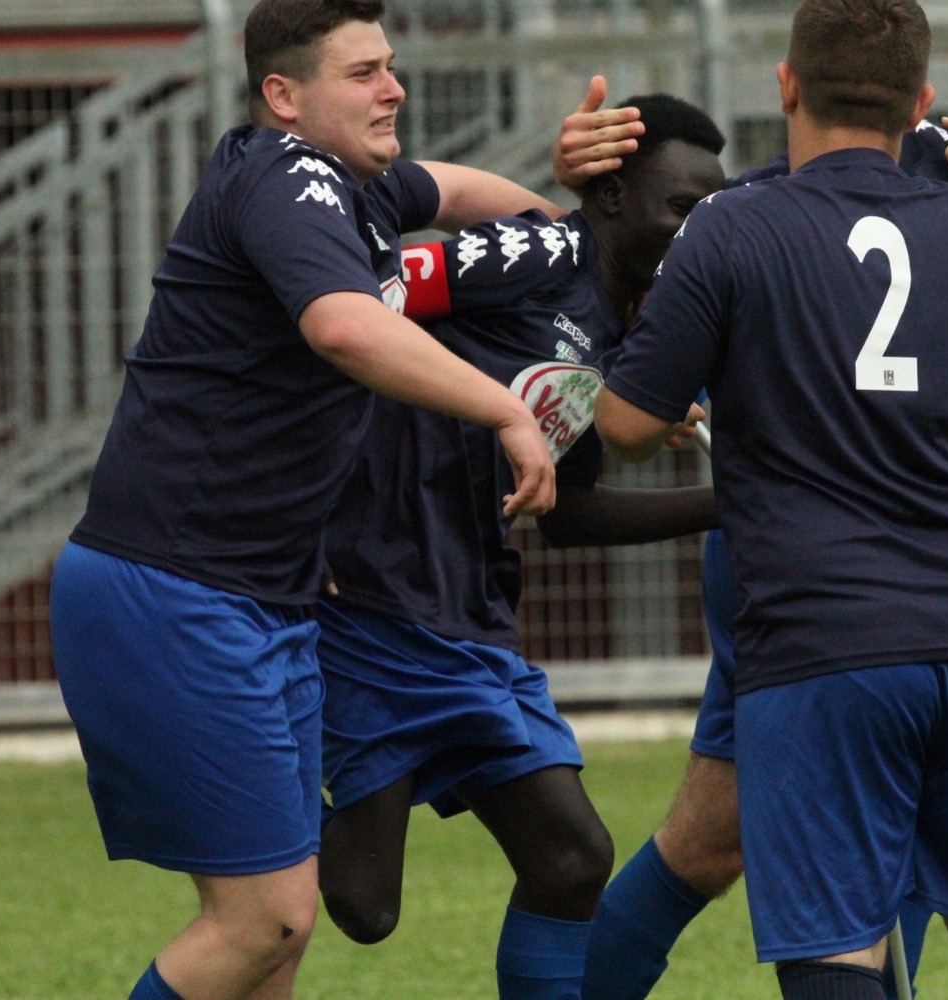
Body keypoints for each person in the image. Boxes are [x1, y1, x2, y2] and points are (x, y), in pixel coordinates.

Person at [567, 2, 948, 996]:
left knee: (762, 875)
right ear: (932, 100)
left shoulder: (944, 215)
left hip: (833, 615)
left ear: (787, 86)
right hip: (936, 606)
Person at [45, 1, 584, 998]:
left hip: (261, 596)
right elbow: (345, 327)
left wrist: (562, 230)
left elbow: (461, 189)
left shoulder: (360, 189)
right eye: (364, 73)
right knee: (266, 919)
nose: (395, 89)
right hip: (177, 587)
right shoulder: (286, 174)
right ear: (284, 96)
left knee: (279, 935)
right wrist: (505, 409)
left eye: (391, 66)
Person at [311, 94, 726, 1000]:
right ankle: (232, 793)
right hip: (374, 594)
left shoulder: (618, 335)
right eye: (679, 207)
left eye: (711, 212)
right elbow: (354, 309)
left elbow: (568, 514)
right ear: (610, 197)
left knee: (573, 858)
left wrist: (731, 503)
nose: (695, 231)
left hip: (469, 612)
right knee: (363, 906)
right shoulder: (537, 254)